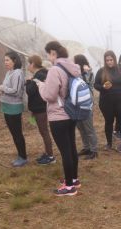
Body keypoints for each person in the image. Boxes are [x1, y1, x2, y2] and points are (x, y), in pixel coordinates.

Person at [36, 41, 81, 196]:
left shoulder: (55, 70)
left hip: (58, 116)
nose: (48, 57)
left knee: (65, 151)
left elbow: (49, 95)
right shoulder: (73, 68)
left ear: (53, 53)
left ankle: (68, 187)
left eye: (48, 53)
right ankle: (74, 179)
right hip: (72, 113)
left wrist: (41, 86)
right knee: (72, 147)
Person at [94, 50, 121, 153]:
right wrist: (103, 87)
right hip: (106, 103)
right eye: (107, 60)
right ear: (105, 61)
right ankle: (109, 143)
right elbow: (95, 84)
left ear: (115, 59)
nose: (109, 62)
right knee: (108, 123)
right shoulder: (101, 71)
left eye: (111, 60)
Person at [0, 51, 27, 167]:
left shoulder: (18, 73)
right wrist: (3, 89)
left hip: (14, 107)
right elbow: (8, 88)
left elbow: (16, 91)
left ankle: (23, 157)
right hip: (6, 105)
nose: (5, 62)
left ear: (14, 61)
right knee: (13, 133)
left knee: (17, 133)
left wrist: (2, 88)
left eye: (7, 60)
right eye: (4, 60)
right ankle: (20, 155)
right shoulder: (9, 72)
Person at [25, 55, 55, 165]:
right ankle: (48, 153)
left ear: (32, 64)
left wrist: (28, 81)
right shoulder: (42, 73)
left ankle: (50, 156)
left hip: (41, 108)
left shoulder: (39, 75)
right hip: (40, 107)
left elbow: (30, 91)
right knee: (44, 131)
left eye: (29, 63)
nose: (28, 66)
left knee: (44, 131)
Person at [74, 54, 98, 160]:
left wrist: (86, 72)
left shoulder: (89, 73)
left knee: (89, 128)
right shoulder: (76, 73)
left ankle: (94, 150)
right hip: (77, 104)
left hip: (86, 104)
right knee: (81, 127)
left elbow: (87, 85)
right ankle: (86, 147)